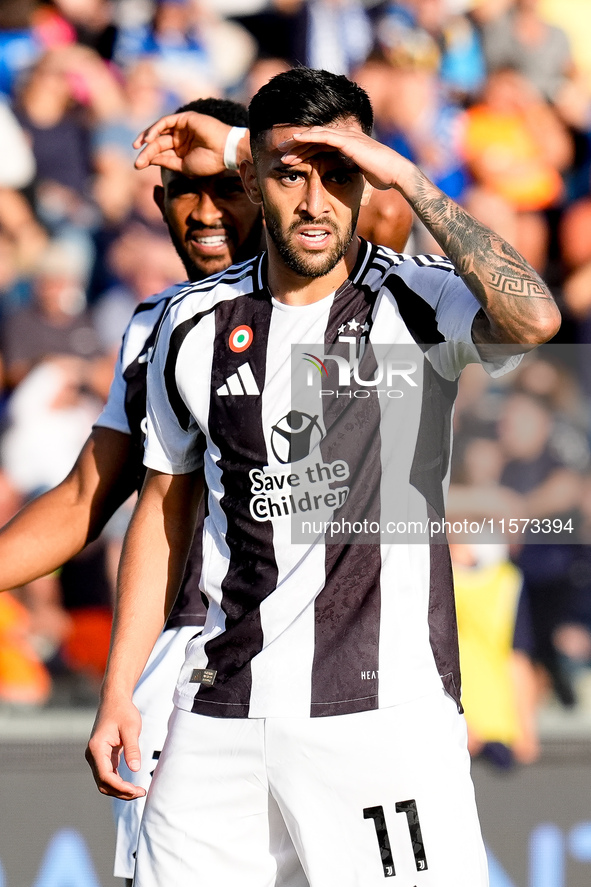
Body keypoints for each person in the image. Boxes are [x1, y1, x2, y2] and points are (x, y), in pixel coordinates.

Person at [86, 67, 560, 887]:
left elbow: (534, 317)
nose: (314, 201)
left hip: (385, 719)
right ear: (253, 181)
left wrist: (407, 177)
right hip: (218, 713)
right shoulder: (190, 325)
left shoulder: (413, 300)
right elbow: (162, 514)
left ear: (365, 174)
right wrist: (121, 688)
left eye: (339, 174)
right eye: (290, 174)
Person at [0, 97, 266, 884]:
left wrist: (249, 148)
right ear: (157, 201)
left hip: (345, 684)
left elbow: (374, 205)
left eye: (228, 185)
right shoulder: (157, 323)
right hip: (192, 681)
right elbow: (87, 495)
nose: (205, 210)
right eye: (184, 189)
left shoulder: (333, 299)